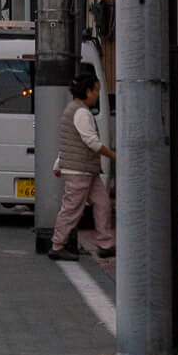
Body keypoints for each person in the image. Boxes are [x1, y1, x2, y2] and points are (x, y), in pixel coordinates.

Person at [48, 67, 116, 262]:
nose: (97, 95)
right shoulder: (81, 113)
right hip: (80, 170)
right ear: (87, 91)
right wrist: (113, 155)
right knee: (72, 209)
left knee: (102, 204)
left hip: (86, 170)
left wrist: (59, 162)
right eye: (96, 90)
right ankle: (57, 245)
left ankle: (105, 243)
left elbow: (69, 141)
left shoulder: (74, 110)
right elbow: (91, 142)